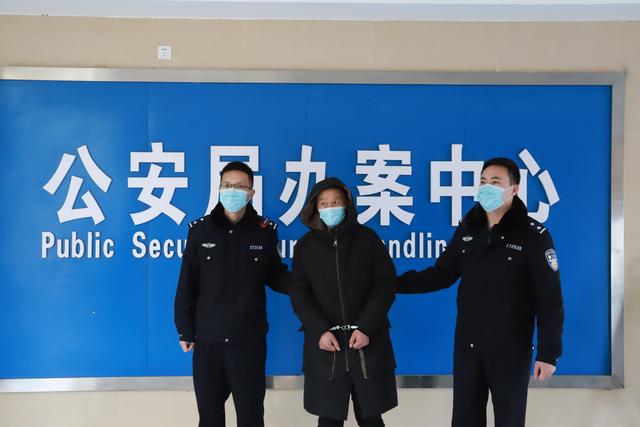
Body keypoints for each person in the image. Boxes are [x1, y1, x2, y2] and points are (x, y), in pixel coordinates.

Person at [397, 157, 564, 427]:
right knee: (465, 419)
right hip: (468, 347)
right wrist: (391, 284)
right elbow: (440, 275)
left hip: (511, 349)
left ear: (514, 189)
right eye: (483, 181)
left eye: (495, 182)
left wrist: (548, 353)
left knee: (509, 420)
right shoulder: (468, 229)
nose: (487, 187)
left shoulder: (533, 235)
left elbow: (549, 299)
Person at [174, 161, 289, 427]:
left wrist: (306, 283)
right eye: (226, 185)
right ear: (219, 188)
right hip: (208, 341)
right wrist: (184, 330)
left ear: (251, 193)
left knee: (251, 417)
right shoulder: (200, 230)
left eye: (239, 186)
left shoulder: (265, 231)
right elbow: (187, 283)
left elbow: (275, 275)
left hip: (248, 341)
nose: (232, 191)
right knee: (209, 417)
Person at [289, 177, 398, 427]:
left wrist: (366, 327)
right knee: (328, 419)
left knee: (371, 418)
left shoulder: (368, 239)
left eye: (335, 202)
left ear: (347, 204)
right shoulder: (305, 247)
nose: (330, 208)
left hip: (366, 345)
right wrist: (320, 330)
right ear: (315, 208)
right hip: (327, 348)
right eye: (324, 203)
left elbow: (385, 285)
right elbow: (299, 294)